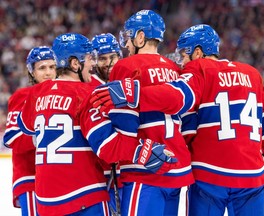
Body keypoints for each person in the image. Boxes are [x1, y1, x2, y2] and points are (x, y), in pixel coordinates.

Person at [91, 24, 264, 216]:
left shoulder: (199, 69)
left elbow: (176, 97)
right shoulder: (251, 74)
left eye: (184, 55)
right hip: (251, 178)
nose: (182, 62)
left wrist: (135, 93)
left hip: (210, 179)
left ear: (198, 52)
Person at [17, 32, 175, 216]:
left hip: (45, 201)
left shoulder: (37, 93)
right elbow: (108, 146)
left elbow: (25, 126)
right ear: (75, 64)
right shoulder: (85, 94)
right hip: (83, 196)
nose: (92, 64)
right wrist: (144, 150)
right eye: (89, 58)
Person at [94, 9, 194, 216]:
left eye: (129, 38)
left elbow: (126, 127)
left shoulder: (125, 66)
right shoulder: (174, 68)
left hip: (145, 169)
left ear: (140, 37)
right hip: (177, 166)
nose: (127, 45)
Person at [3, 46, 57, 216]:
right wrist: (43, 136)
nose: (48, 73)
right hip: (30, 178)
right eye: (42, 68)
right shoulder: (23, 96)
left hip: (57, 179)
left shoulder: (62, 94)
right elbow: (12, 137)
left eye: (52, 67)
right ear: (31, 72)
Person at [91, 32, 123, 214]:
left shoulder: (128, 84)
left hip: (125, 172)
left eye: (113, 57)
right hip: (98, 174)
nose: (109, 62)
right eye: (103, 58)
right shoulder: (89, 87)